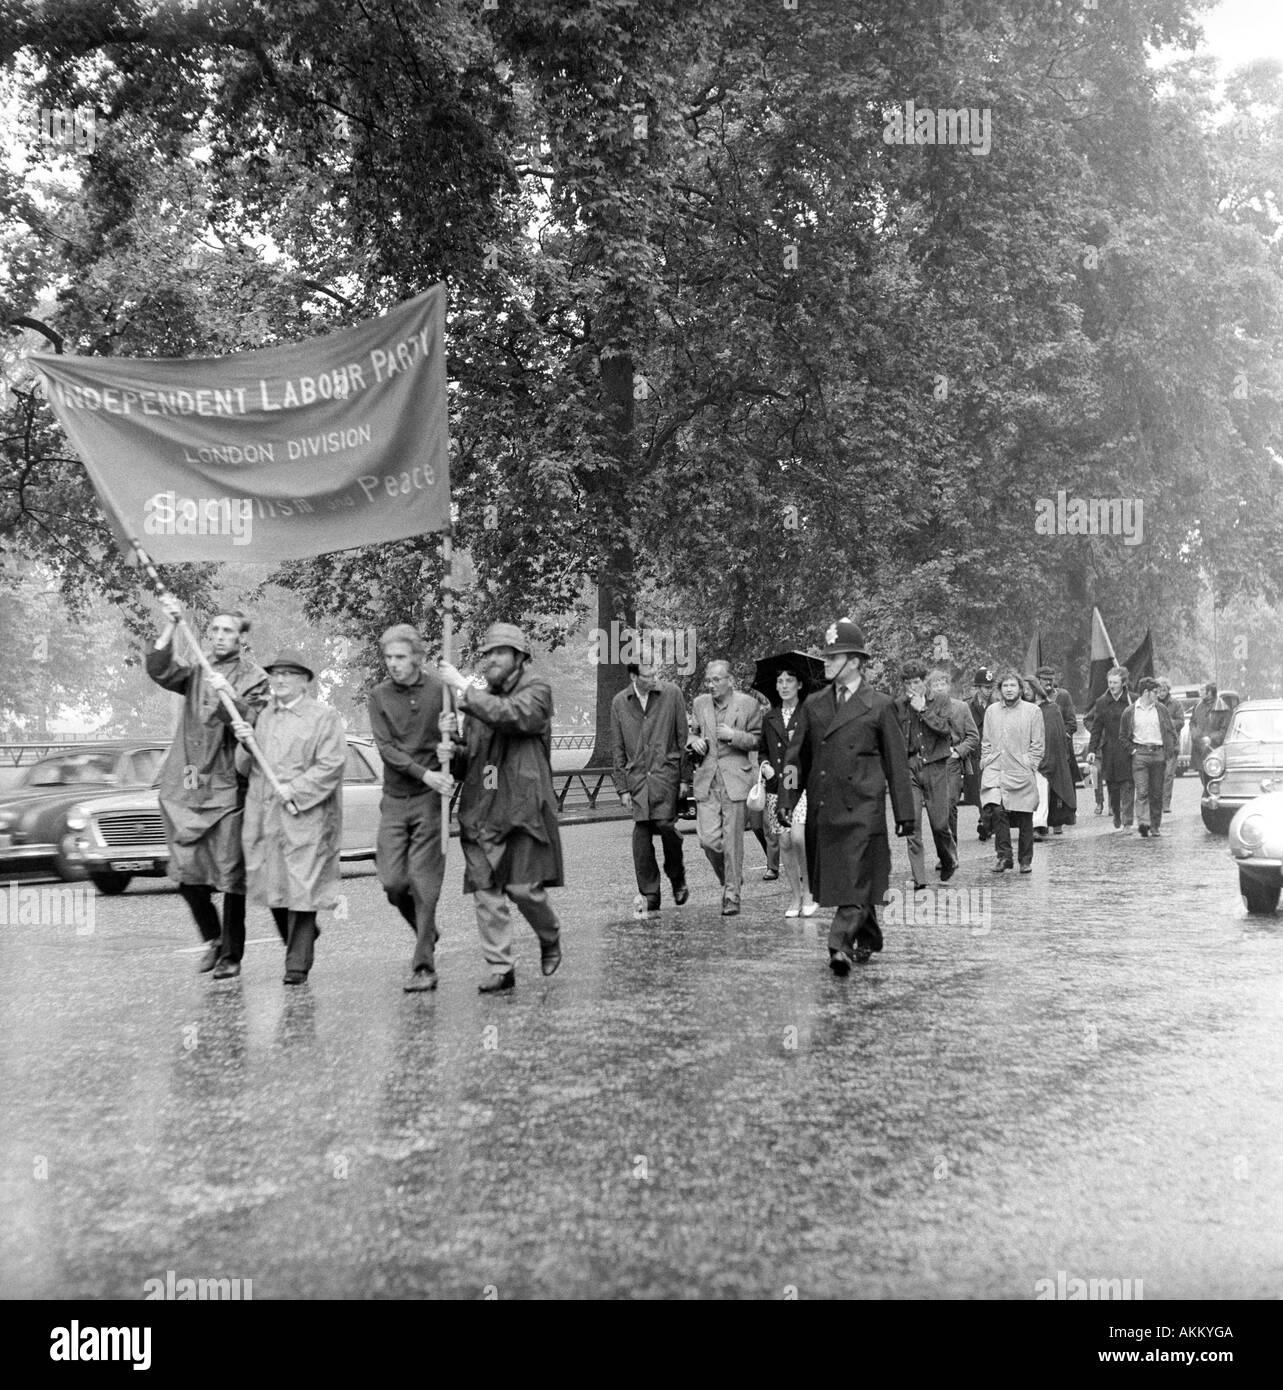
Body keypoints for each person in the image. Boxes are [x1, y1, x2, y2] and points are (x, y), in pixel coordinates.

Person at [778, 619, 914, 974]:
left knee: (855, 876)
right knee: (848, 878)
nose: (826, 663)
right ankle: (867, 935)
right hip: (827, 806)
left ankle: (837, 944)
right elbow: (796, 757)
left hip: (864, 807)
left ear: (854, 661)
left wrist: (905, 814)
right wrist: (786, 800)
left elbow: (896, 763)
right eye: (826, 656)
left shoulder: (881, 705)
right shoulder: (814, 704)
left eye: (834, 657)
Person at [146, 599, 269, 979]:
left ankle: (232, 955)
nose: (218, 637)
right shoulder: (197, 669)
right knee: (184, 872)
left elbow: (256, 724)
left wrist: (228, 695)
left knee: (231, 875)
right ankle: (214, 938)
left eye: (227, 631)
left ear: (241, 638)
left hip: (228, 785)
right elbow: (160, 669)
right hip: (186, 784)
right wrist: (169, 625)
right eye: (213, 630)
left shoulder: (255, 677)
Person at [438, 623, 563, 993]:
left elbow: (515, 717)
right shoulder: (477, 703)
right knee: (486, 892)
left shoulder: (537, 690)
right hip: (481, 810)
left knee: (523, 888)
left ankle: (549, 934)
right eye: (487, 653)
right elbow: (469, 762)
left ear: (519, 657)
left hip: (521, 807)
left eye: (499, 652)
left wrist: (462, 687)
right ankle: (500, 966)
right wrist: (450, 748)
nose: (491, 659)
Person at [230, 650, 346, 985]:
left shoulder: (324, 717)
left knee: (303, 886)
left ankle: (296, 964)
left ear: (305, 681)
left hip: (307, 815)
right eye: (276, 674)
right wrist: (245, 743)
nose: (279, 680)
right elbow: (245, 768)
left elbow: (331, 764)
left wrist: (295, 789)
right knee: (274, 884)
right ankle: (302, 939)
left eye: (289, 674)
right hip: (266, 814)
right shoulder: (264, 716)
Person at [366, 624, 453, 993]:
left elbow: (460, 746)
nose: (393, 664)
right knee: (393, 882)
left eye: (400, 657)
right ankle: (426, 930)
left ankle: (423, 967)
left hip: (430, 803)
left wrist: (454, 741)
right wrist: (425, 774)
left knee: (424, 883)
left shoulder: (441, 691)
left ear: (417, 657)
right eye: (388, 658)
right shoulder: (378, 695)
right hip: (396, 799)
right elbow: (386, 749)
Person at [610, 658, 689, 917]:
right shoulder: (620, 702)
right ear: (634, 677)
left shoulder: (672, 694)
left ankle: (677, 876)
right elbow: (618, 748)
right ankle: (650, 894)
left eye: (656, 672)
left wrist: (685, 779)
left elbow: (683, 738)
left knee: (666, 826)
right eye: (647, 675)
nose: (654, 678)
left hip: (666, 774)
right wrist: (622, 788)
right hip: (638, 779)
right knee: (641, 835)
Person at [687, 659, 763, 916]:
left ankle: (732, 896)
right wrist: (694, 741)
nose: (711, 685)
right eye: (708, 680)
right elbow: (692, 733)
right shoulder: (699, 704)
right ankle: (730, 879)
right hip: (707, 781)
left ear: (730, 680)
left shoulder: (749, 705)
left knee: (732, 843)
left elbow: (758, 740)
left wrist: (734, 736)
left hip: (736, 781)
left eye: (716, 680)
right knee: (708, 841)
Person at [893, 661, 978, 887]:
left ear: (924, 682)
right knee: (913, 826)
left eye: (917, 682)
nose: (913, 687)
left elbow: (944, 729)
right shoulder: (899, 705)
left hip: (936, 766)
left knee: (940, 824)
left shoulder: (940, 701)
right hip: (910, 767)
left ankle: (948, 859)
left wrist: (923, 710)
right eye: (909, 683)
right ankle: (919, 879)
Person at [758, 667, 816, 917]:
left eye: (789, 681)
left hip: (800, 784)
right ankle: (795, 896)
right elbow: (763, 749)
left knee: (798, 838)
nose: (783, 686)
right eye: (780, 681)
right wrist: (765, 765)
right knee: (784, 841)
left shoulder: (809, 714)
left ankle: (810, 892)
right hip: (777, 786)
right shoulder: (769, 717)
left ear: (799, 685)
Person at [980, 669, 1045, 874]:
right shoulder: (991, 711)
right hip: (996, 770)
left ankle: (1025, 859)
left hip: (1021, 771)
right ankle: (1003, 857)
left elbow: (1038, 744)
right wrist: (986, 760)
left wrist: (1029, 763)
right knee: (997, 811)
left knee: (1024, 815)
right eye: (1005, 686)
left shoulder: (1032, 711)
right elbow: (987, 741)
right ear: (999, 689)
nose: (1009, 690)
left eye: (1012, 685)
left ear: (1020, 688)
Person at [1121, 676, 1177, 838]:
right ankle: (1144, 823)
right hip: (1140, 754)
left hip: (1158, 753)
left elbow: (1171, 731)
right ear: (1146, 692)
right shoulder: (1130, 712)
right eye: (1155, 692)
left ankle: (1155, 826)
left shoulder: (1161, 709)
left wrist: (1169, 750)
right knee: (1142, 790)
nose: (1158, 695)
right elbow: (1123, 736)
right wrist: (1133, 751)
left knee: (1156, 793)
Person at [1086, 666, 1135, 829]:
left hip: (1127, 749)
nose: (1112, 685)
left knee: (1127, 784)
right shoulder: (1101, 702)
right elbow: (1097, 728)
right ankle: (1116, 812)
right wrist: (1092, 750)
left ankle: (1128, 821)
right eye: (1110, 682)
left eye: (1115, 682)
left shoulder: (1132, 700)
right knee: (1113, 785)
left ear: (1123, 683)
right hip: (1109, 750)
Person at [1031, 677, 1077, 837]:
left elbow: (1056, 734)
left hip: (1045, 757)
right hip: (1022, 759)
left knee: (1042, 791)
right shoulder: (1022, 709)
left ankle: (1039, 825)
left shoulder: (1052, 708)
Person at [745, 684, 782, 883]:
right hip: (756, 779)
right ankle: (771, 857)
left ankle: (773, 866)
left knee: (772, 826)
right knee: (757, 826)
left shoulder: (776, 721)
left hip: (778, 777)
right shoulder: (751, 724)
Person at [962, 668, 995, 839]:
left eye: (990, 687)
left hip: (992, 754)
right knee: (978, 792)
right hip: (975, 755)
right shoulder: (967, 706)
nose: (989, 691)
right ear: (977, 687)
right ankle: (986, 821)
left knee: (991, 790)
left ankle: (985, 822)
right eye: (985, 687)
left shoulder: (997, 705)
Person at [1189, 682, 1230, 790]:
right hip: (1199, 749)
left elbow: (1224, 730)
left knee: (1214, 781)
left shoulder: (1223, 708)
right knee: (1203, 780)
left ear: (1210, 692)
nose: (1200, 692)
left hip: (1214, 750)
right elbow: (1192, 722)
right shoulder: (1198, 706)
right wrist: (1194, 732)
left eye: (1202, 690)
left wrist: (1210, 738)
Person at [1155, 678, 1183, 814]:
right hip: (1156, 744)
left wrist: (1168, 722)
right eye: (1159, 690)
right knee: (1157, 775)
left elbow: (1181, 721)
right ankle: (1157, 802)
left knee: (1168, 775)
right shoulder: (1152, 704)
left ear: (1168, 690)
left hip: (1172, 744)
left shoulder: (1175, 704)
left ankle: (1166, 803)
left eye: (1164, 690)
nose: (1161, 693)